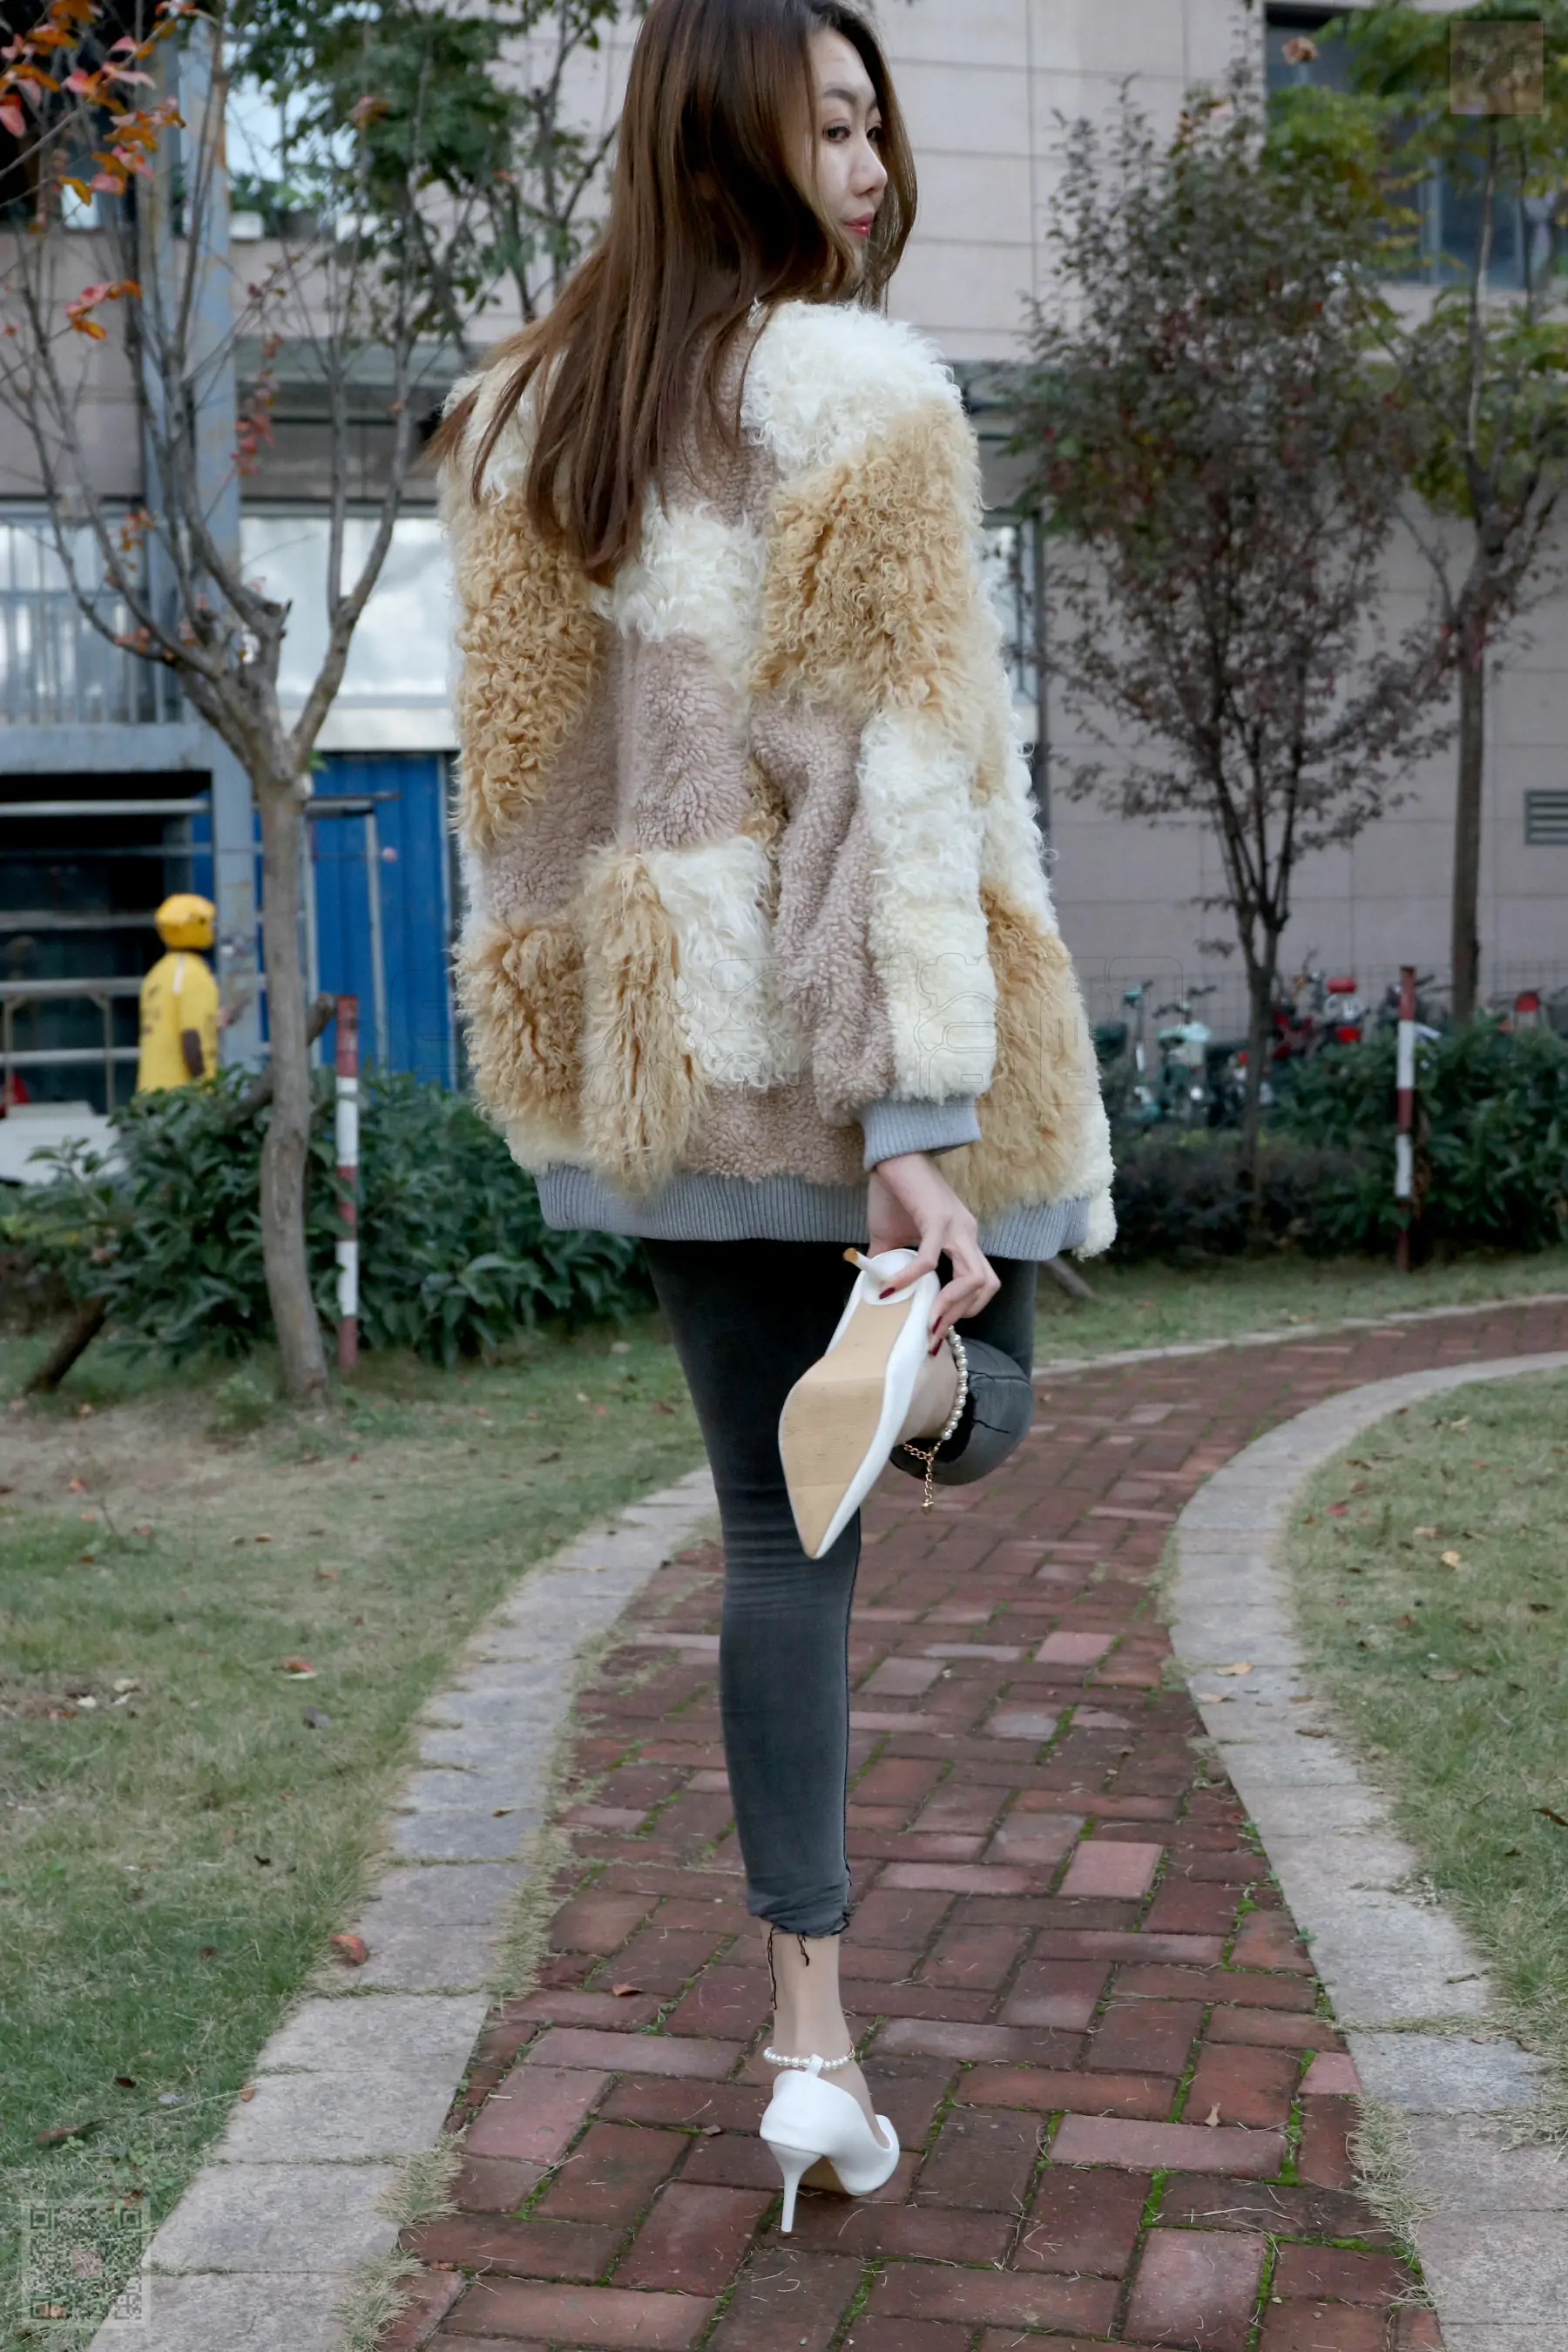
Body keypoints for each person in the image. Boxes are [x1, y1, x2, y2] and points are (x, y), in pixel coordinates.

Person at [436, 0, 1114, 2226]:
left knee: (771, 1541)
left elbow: (516, 790)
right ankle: (908, 1377)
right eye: (831, 122)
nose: (871, 160)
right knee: (992, 1405)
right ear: (732, 136)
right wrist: (913, 1115)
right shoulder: (856, 396)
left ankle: (810, 2042)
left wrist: (578, 1049)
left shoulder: (535, 421)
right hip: (864, 1040)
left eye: (874, 118)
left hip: (672, 1064)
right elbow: (883, 765)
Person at [137, 894, 220, 1093]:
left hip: (150, 1092)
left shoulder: (156, 974)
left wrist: (215, 1022)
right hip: (180, 1096)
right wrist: (204, 1089)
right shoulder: (195, 975)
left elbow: (170, 1024)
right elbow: (191, 1039)